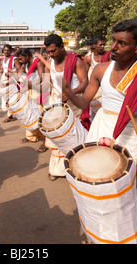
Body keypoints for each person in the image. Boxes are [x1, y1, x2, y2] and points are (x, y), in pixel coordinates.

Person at [65, 19, 137, 190]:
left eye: (121, 43)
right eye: (113, 40)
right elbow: (84, 103)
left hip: (132, 134)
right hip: (101, 127)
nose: (113, 47)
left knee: (125, 185)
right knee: (95, 180)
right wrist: (68, 92)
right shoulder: (101, 69)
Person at [43, 34, 88, 181]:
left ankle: (78, 169)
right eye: (49, 52)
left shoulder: (76, 61)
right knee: (57, 137)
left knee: (74, 138)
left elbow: (84, 83)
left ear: (62, 47)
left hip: (74, 105)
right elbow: (46, 82)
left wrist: (71, 93)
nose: (51, 54)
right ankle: (57, 170)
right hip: (56, 103)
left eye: (54, 51)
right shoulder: (50, 62)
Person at [17, 49, 46, 144]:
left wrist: (32, 85)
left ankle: (46, 140)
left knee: (41, 115)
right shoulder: (24, 64)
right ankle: (31, 135)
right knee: (31, 114)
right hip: (30, 91)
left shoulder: (38, 62)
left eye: (21, 58)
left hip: (39, 91)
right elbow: (20, 74)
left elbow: (42, 77)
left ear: (27, 55)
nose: (20, 61)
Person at [82, 37, 110, 129]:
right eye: (100, 44)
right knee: (95, 114)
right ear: (94, 46)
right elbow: (84, 75)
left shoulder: (109, 55)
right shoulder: (89, 58)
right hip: (96, 87)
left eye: (103, 44)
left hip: (107, 85)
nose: (103, 46)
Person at [1, 44, 22, 123]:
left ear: (11, 51)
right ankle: (10, 115)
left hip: (13, 80)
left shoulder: (14, 59)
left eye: (8, 50)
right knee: (7, 98)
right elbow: (3, 70)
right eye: (5, 50)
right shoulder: (3, 60)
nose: (6, 52)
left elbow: (19, 71)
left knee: (13, 98)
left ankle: (12, 115)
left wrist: (11, 74)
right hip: (5, 80)